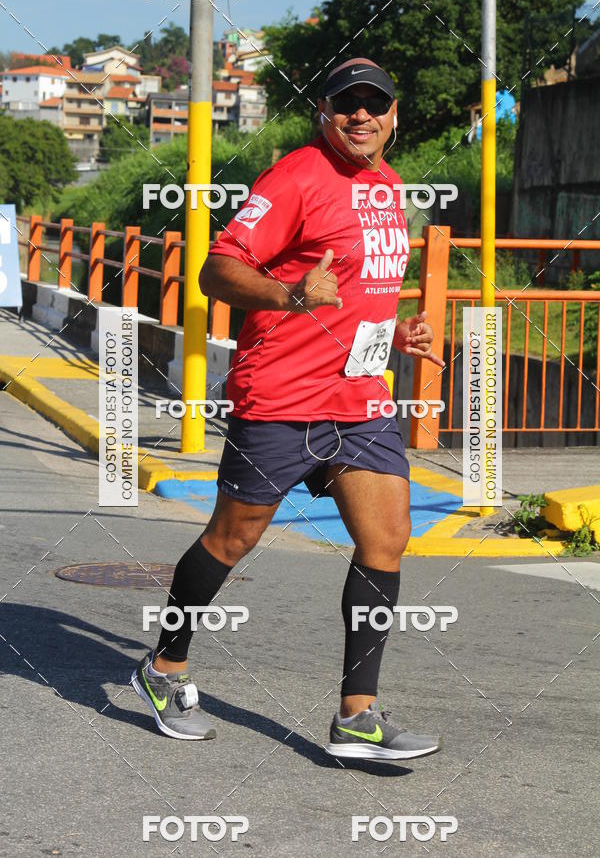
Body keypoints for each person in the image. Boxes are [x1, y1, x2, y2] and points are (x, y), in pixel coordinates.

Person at [131, 57, 445, 760]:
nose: (360, 115)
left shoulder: (390, 186)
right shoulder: (297, 176)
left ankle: (357, 717)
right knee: (229, 541)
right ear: (323, 112)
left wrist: (397, 333)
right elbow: (218, 267)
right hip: (280, 400)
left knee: (386, 539)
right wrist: (290, 296)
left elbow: (359, 288)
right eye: (346, 103)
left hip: (357, 403)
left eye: (375, 104)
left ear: (395, 116)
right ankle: (163, 668)